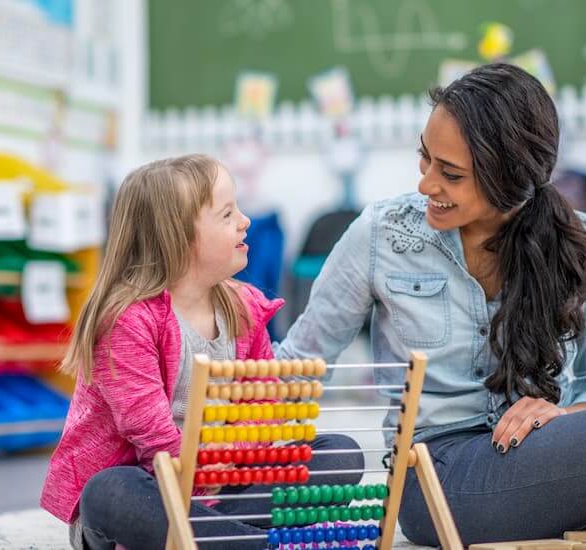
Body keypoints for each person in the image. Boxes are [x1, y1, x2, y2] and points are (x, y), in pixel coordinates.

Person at [275, 63, 586, 545]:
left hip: (551, 471)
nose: (427, 184)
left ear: (511, 180)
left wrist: (564, 417)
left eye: (450, 173)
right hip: (437, 480)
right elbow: (303, 362)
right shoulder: (382, 235)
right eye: (424, 159)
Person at [40, 154, 363, 550]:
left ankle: (216, 539)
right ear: (177, 236)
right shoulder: (126, 321)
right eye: (227, 215)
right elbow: (153, 438)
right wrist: (211, 470)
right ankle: (251, 543)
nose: (245, 221)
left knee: (342, 455)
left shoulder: (245, 307)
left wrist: (226, 458)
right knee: (107, 491)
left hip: (226, 488)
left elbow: (262, 412)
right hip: (150, 487)